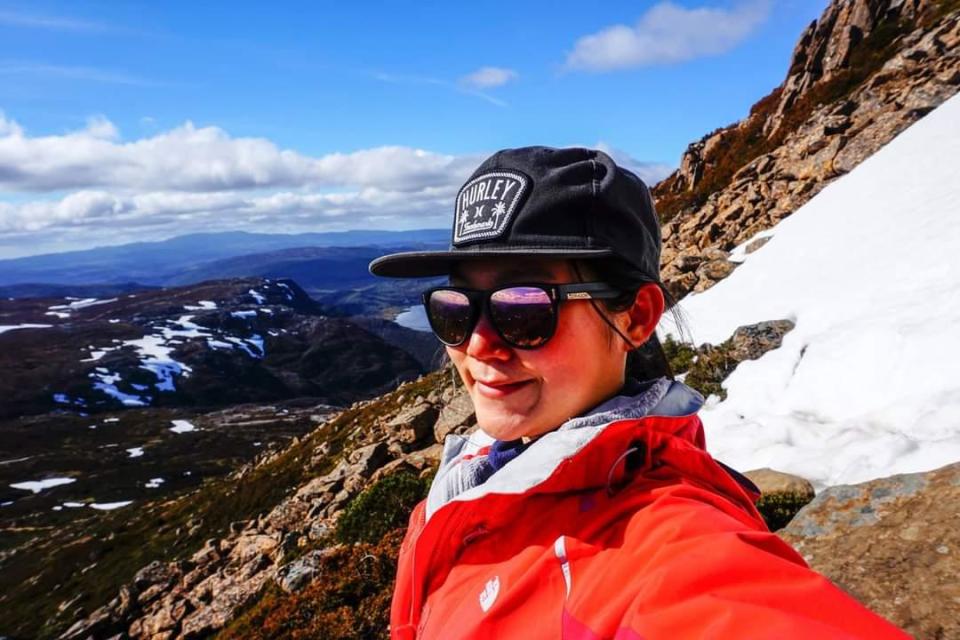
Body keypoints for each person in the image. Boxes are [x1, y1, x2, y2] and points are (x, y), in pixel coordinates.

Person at [369, 146, 908, 639]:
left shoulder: (667, 548)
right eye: (454, 308)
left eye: (524, 308)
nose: (480, 344)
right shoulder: (476, 477)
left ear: (637, 317)